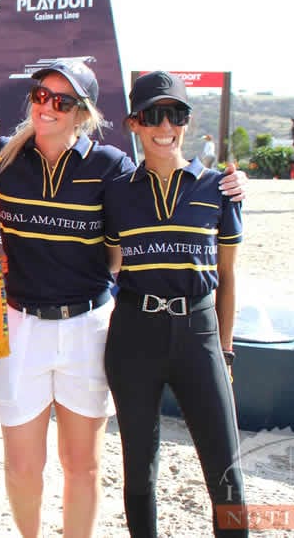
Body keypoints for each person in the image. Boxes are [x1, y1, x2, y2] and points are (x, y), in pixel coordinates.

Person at [0, 59, 246, 538]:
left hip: (91, 327)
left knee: (84, 467)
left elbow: (157, 224)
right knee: (25, 468)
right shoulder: (1, 158)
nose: (47, 106)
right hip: (22, 326)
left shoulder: (111, 169)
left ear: (82, 113)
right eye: (41, 95)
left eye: (62, 101)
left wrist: (232, 184)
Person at [103, 71, 246, 537]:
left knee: (226, 473)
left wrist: (225, 352)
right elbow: (109, 263)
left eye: (176, 114)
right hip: (133, 335)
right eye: (153, 115)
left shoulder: (220, 189)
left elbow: (227, 277)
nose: (165, 126)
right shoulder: (117, 192)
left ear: (187, 121)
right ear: (134, 123)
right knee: (139, 470)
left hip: (199, 335)